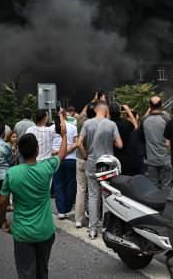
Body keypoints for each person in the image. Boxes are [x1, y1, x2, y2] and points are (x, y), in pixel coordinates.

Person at [0, 112, 69, 279]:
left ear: (20, 152)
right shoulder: (47, 167)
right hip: (45, 231)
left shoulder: (12, 173)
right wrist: (64, 135)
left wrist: (3, 221)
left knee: (26, 272)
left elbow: (2, 202)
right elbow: (62, 154)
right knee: (42, 270)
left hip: (22, 232)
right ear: (37, 150)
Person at [78, 101, 122, 239]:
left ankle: (92, 229)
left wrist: (85, 155)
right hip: (107, 164)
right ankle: (105, 227)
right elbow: (119, 145)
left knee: (92, 195)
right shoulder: (111, 124)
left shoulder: (87, 123)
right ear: (106, 110)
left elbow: (79, 143)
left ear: (96, 110)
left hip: (92, 162)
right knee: (106, 196)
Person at [51, 108, 78, 219]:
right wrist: (66, 151)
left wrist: (59, 152)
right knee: (70, 184)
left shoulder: (51, 128)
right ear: (65, 115)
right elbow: (76, 143)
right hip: (71, 159)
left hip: (56, 159)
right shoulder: (73, 127)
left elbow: (49, 147)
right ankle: (68, 209)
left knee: (58, 184)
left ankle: (61, 211)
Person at [141, 96, 172, 190]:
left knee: (153, 187)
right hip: (165, 159)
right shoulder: (166, 118)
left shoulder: (144, 120)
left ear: (150, 106)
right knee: (166, 187)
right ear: (161, 105)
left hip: (151, 160)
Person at [74, 102, 96, 228]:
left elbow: (79, 143)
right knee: (93, 191)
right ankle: (94, 220)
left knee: (81, 190)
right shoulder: (97, 124)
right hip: (92, 159)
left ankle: (78, 219)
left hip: (80, 159)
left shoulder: (80, 121)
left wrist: (83, 155)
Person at [109, 103, 138, 176]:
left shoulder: (108, 124)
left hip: (112, 156)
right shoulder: (126, 123)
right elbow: (135, 126)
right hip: (126, 157)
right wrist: (128, 111)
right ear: (120, 112)